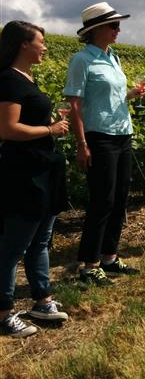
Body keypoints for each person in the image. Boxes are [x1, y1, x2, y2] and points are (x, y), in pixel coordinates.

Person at [64, 2, 143, 286]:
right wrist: (81, 143)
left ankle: (109, 256)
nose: (118, 29)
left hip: (123, 134)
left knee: (120, 197)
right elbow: (75, 104)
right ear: (96, 29)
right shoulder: (82, 60)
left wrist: (132, 92)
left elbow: (115, 97)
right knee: (102, 200)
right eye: (113, 25)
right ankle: (89, 263)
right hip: (100, 137)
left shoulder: (114, 58)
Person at [0, 21, 70, 338]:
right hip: (24, 172)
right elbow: (8, 130)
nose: (45, 46)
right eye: (40, 41)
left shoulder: (28, 78)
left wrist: (53, 120)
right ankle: (3, 312)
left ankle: (42, 300)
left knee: (41, 239)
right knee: (14, 246)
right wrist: (50, 130)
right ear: (23, 44)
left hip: (44, 169)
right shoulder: (9, 81)